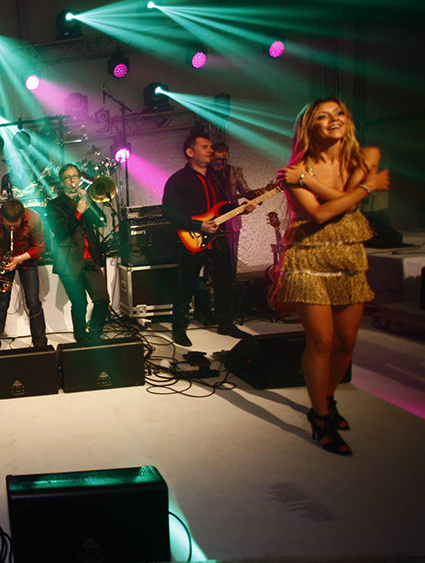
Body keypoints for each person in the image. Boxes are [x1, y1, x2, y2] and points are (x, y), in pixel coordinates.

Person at [276, 97, 390, 456]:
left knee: (346, 342)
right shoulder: (293, 172)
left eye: (338, 113)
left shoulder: (366, 156)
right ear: (309, 127)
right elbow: (322, 214)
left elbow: (347, 203)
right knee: (321, 342)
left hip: (348, 254)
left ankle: (326, 398)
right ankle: (321, 417)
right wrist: (367, 188)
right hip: (308, 257)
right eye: (323, 116)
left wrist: (312, 182)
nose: (334, 120)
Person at [162, 133, 254, 347]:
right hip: (192, 238)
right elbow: (169, 211)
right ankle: (179, 328)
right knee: (186, 285)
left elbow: (221, 206)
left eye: (211, 147)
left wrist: (240, 209)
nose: (211, 150)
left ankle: (225, 323)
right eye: (205, 147)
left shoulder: (216, 178)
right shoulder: (178, 179)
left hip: (217, 238)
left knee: (224, 280)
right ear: (190, 152)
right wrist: (198, 226)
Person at [45, 164, 110, 342]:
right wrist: (78, 212)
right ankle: (81, 339)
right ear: (62, 182)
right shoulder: (54, 205)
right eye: (67, 177)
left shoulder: (85, 199)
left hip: (90, 258)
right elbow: (60, 231)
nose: (72, 180)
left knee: (103, 299)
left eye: (75, 176)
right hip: (69, 261)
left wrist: (89, 203)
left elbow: (101, 221)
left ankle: (95, 333)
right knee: (80, 303)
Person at [0, 199, 48, 351]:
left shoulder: (33, 218)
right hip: (2, 260)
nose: (11, 228)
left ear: (22, 217)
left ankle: (41, 346)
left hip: (26, 259)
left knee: (33, 302)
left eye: (15, 225)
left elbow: (39, 247)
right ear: (1, 217)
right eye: (8, 225)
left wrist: (19, 259)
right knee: (2, 303)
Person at [209, 142, 254, 274]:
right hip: (211, 217)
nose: (223, 154)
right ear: (212, 155)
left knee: (231, 252)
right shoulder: (206, 171)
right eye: (220, 151)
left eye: (225, 152)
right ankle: (209, 281)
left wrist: (257, 194)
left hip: (232, 216)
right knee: (211, 254)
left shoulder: (234, 171)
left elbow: (245, 191)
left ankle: (231, 279)